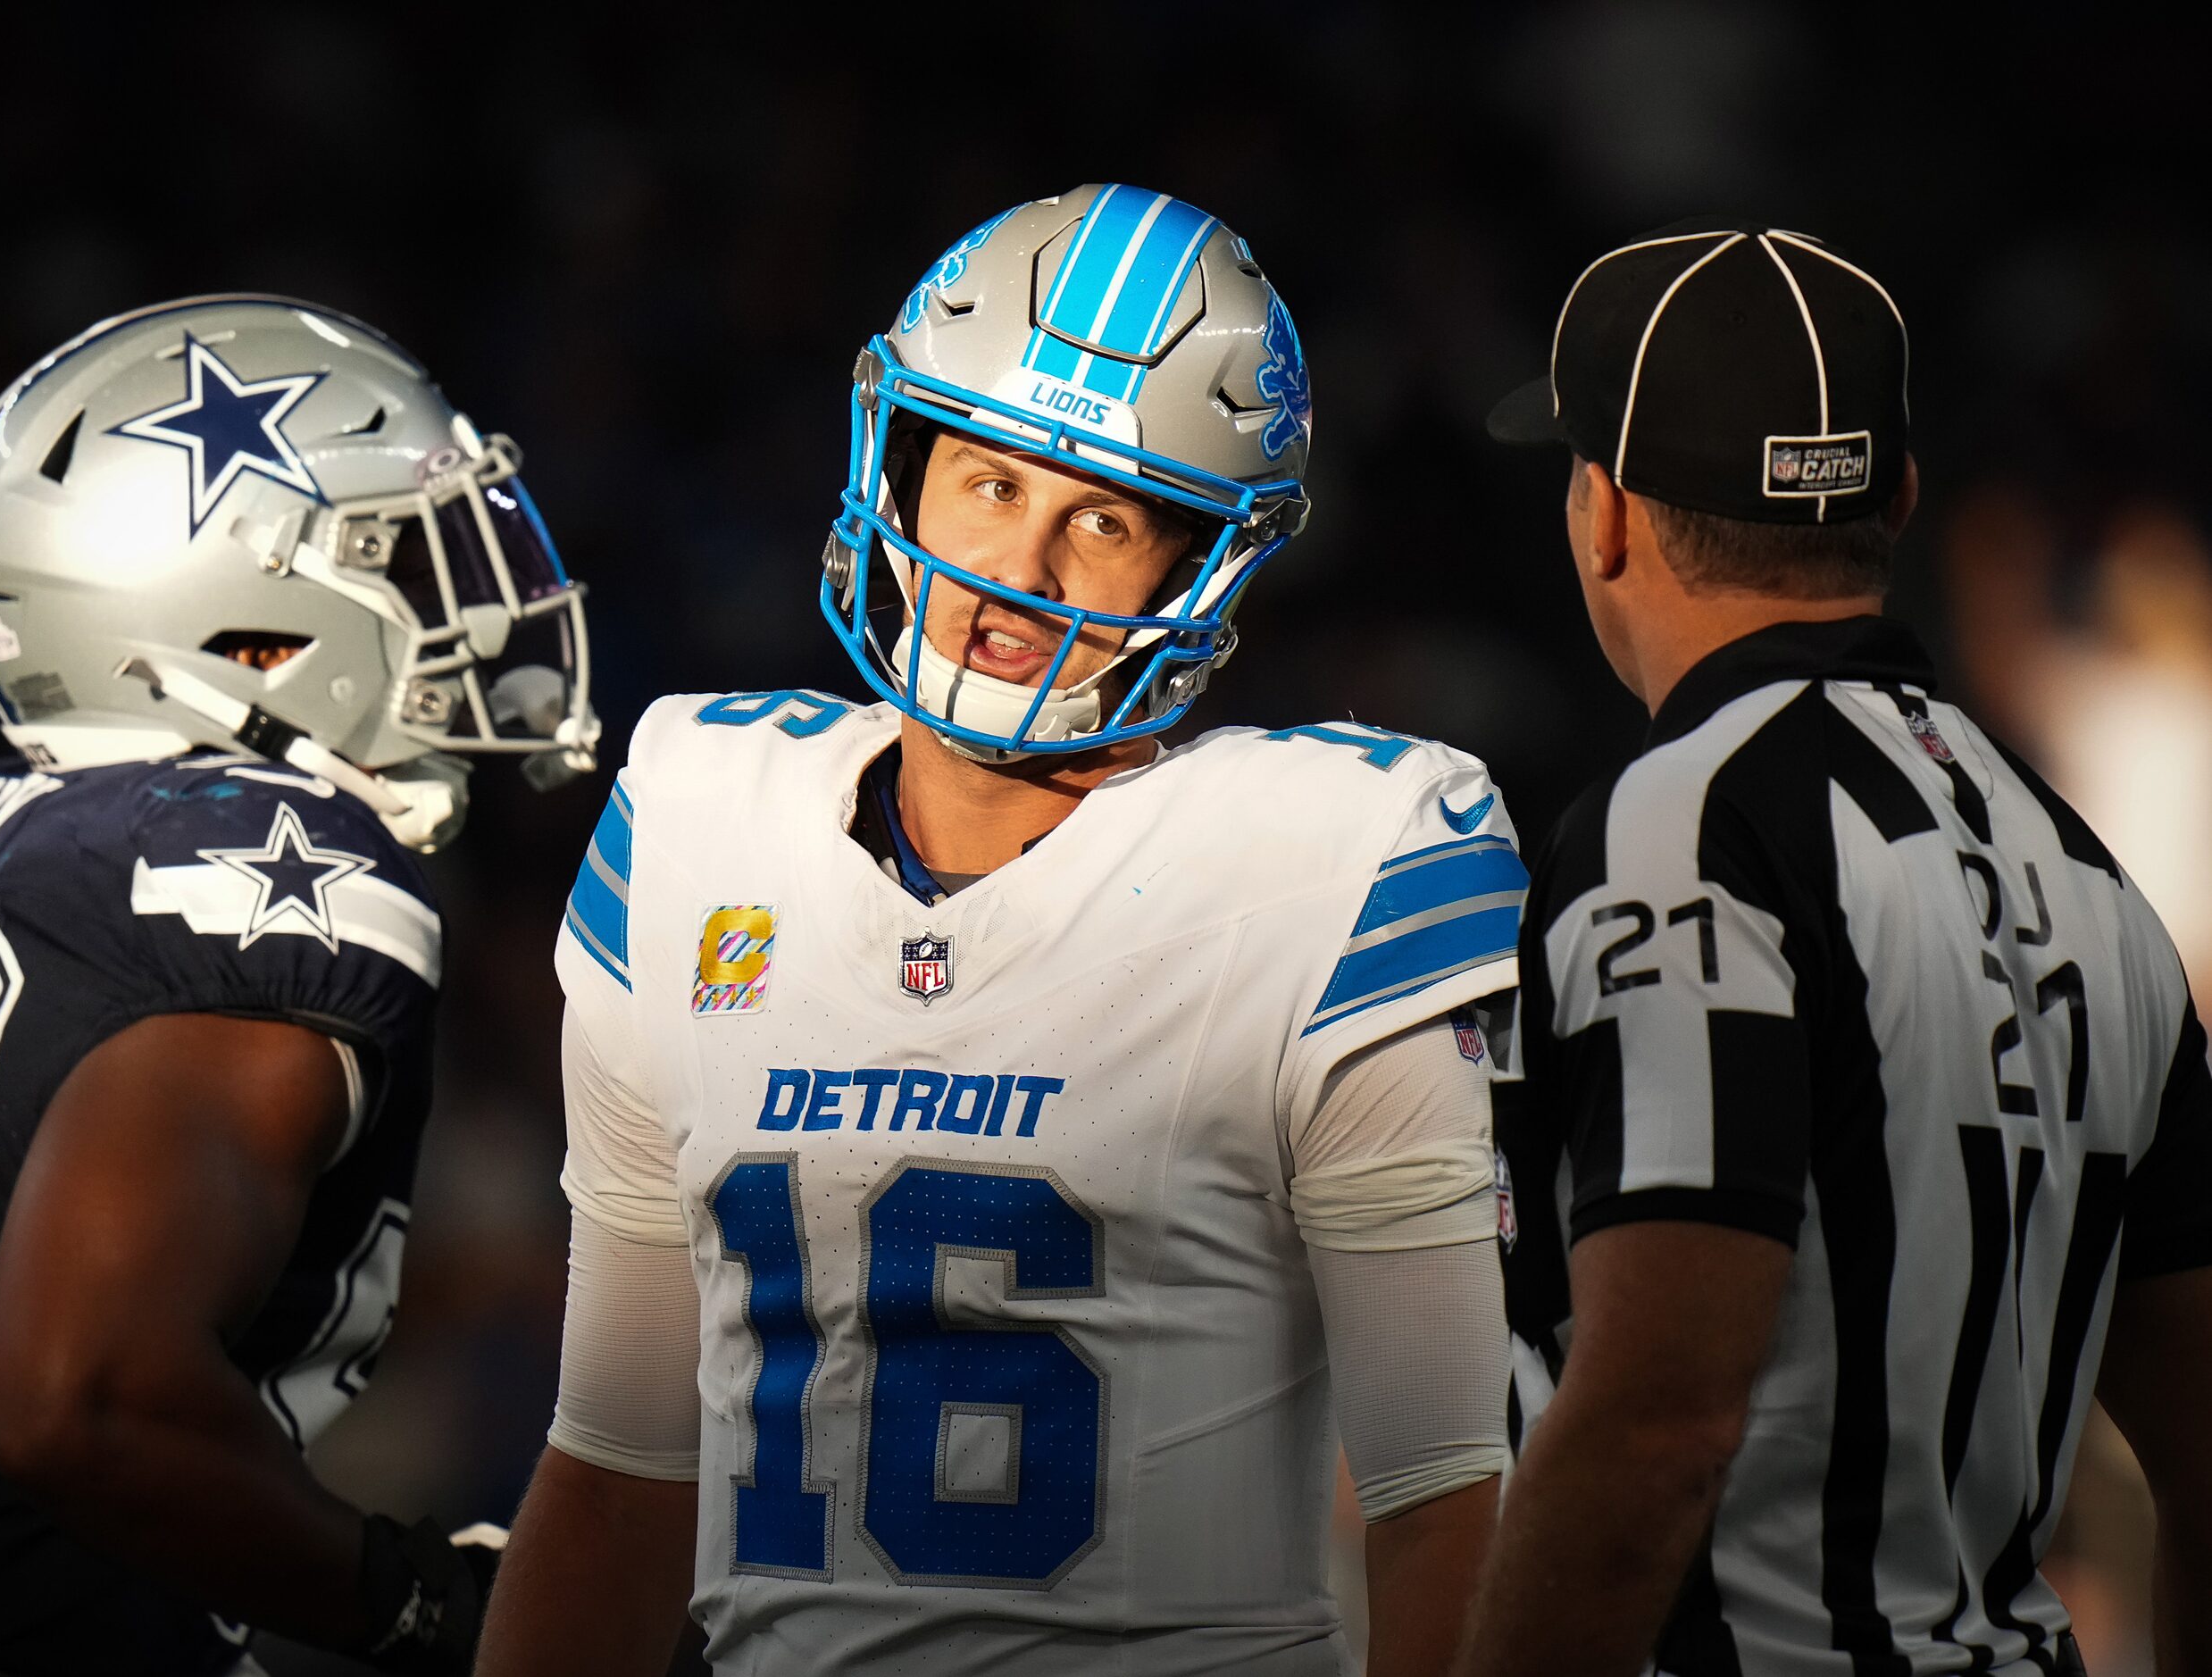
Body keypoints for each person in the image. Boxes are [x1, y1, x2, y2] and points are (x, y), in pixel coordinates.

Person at [478, 184, 1523, 1676]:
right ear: (898, 475)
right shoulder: (699, 819)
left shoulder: (1337, 865)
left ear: (1201, 563)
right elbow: (618, 1466)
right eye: (986, 481)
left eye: (1101, 517)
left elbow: (1445, 1498)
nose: (1017, 575)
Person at [0, 295, 602, 1676]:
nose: (471, 605)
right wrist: (412, 1602)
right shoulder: (283, 870)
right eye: (408, 559)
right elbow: (77, 1392)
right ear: (256, 624)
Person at [1460, 221, 2212, 1676]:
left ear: (1605, 511)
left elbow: (1655, 1422)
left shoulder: (1675, 832)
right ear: (1902, 498)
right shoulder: (2089, 879)